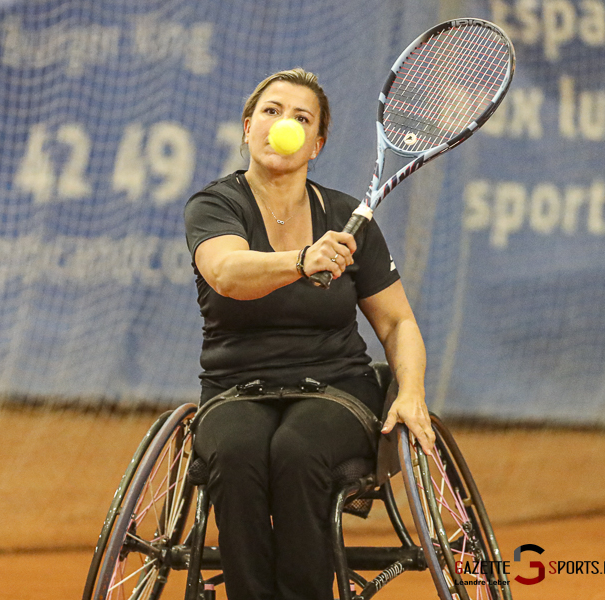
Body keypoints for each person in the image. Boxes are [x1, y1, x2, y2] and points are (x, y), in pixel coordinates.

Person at [183, 68, 436, 600]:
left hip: (335, 387)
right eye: (272, 112)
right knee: (236, 453)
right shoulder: (215, 205)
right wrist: (302, 260)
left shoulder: (346, 217)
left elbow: (397, 323)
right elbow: (227, 274)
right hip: (235, 388)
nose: (285, 125)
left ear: (316, 145)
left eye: (302, 118)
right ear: (248, 127)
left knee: (298, 451)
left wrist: (410, 393)